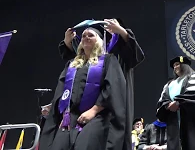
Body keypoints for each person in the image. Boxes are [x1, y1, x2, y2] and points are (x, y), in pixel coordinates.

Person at [58, 18, 145, 150]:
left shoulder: (117, 50)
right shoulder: (93, 53)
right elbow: (76, 63)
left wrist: (121, 31)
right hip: (88, 105)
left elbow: (135, 55)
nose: (87, 38)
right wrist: (67, 42)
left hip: (114, 99)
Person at [39, 22, 127, 150]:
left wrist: (94, 111)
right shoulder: (72, 65)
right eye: (84, 35)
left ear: (99, 41)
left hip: (97, 116)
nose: (86, 37)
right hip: (70, 118)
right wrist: (59, 109)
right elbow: (62, 90)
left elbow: (113, 88)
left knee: (84, 145)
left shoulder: (108, 61)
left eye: (90, 35)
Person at [156, 56, 195, 150]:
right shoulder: (169, 85)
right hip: (174, 126)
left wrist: (178, 103)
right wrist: (167, 106)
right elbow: (161, 102)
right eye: (173, 66)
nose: (175, 67)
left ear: (185, 65)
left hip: (194, 124)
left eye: (177, 64)